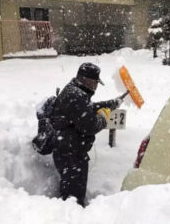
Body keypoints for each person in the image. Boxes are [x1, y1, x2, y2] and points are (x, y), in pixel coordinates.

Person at [52, 62, 122, 207]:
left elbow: (87, 108)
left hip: (68, 151)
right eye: (96, 82)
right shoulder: (77, 96)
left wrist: (110, 104)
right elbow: (90, 126)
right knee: (73, 198)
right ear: (87, 80)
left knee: (71, 193)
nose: (96, 86)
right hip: (71, 155)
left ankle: (70, 214)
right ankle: (72, 221)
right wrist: (104, 118)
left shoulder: (74, 91)